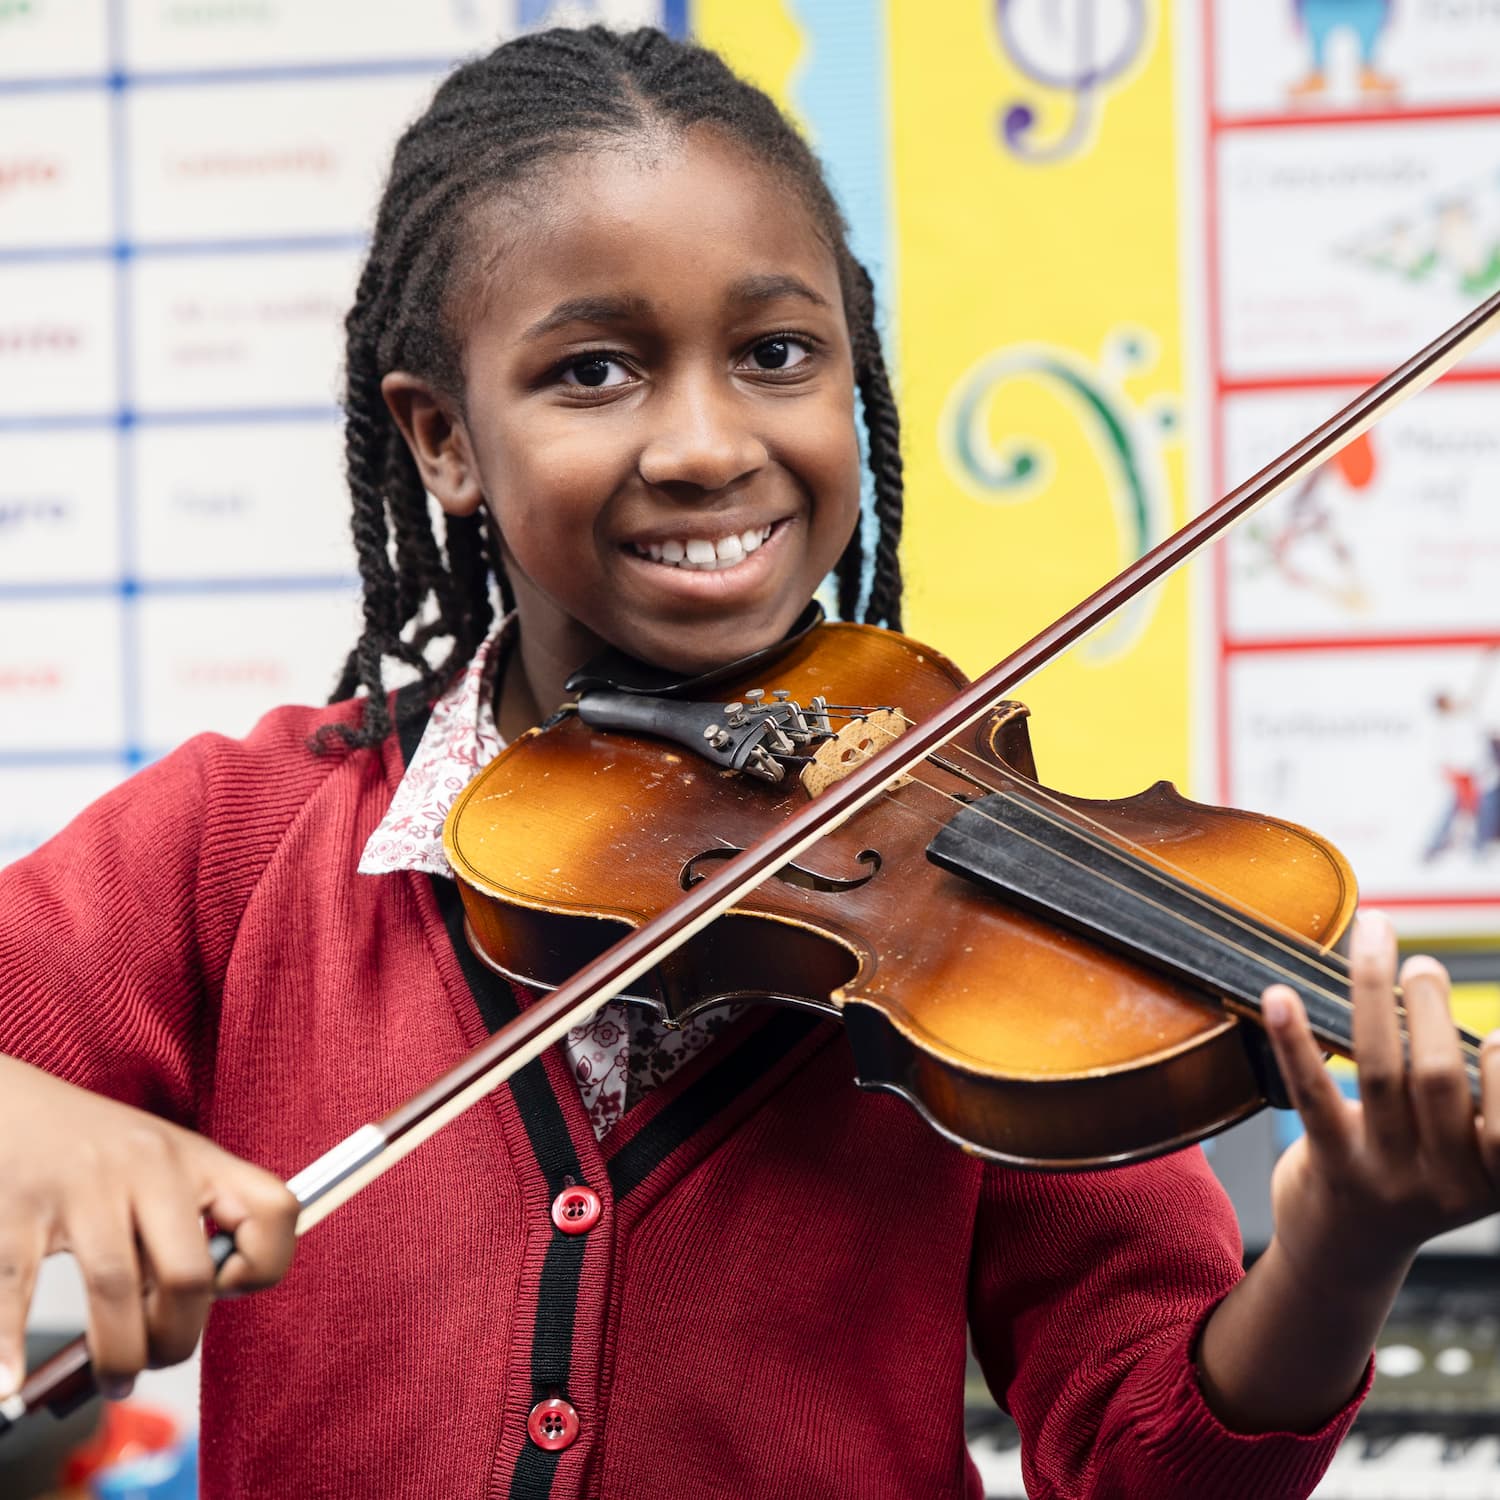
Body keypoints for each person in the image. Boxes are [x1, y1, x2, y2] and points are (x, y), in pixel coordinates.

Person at [0, 26, 1496, 1500]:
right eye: (595, 371)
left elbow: (1142, 1464)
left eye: (776, 355)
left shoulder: (1014, 946)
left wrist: (1340, 1252)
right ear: (445, 439)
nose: (708, 446)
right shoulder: (247, 841)